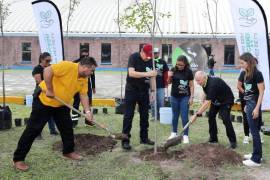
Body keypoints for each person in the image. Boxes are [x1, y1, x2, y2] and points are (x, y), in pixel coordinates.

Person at [13, 57, 97, 171]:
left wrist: (87, 111)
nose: (92, 73)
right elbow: (47, 71)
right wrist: (50, 89)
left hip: (62, 105)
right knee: (33, 129)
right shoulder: (67, 66)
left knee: (67, 129)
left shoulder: (84, 78)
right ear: (85, 67)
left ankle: (68, 151)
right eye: (91, 70)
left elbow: (83, 95)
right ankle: (18, 159)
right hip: (44, 102)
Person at [121, 43, 157, 150]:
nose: (148, 58)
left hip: (144, 91)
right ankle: (125, 140)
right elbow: (131, 73)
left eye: (150, 56)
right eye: (146, 55)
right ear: (141, 51)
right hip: (131, 90)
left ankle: (144, 138)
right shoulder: (134, 57)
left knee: (145, 115)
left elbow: (153, 77)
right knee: (128, 115)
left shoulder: (151, 61)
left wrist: (153, 91)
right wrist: (147, 74)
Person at [190, 71, 237, 149]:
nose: (197, 83)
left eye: (199, 80)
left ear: (204, 78)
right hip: (216, 99)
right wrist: (202, 99)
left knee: (225, 118)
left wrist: (196, 115)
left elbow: (207, 103)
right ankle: (213, 139)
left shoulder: (212, 84)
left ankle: (233, 142)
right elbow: (206, 90)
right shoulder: (205, 80)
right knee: (211, 116)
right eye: (196, 80)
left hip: (226, 100)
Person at [238, 52, 264, 167]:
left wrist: (256, 108)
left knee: (254, 131)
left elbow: (262, 91)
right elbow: (248, 91)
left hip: (254, 104)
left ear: (248, 62)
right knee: (253, 132)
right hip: (249, 103)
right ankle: (256, 154)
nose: (241, 65)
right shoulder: (246, 74)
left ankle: (256, 159)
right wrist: (246, 104)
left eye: (242, 63)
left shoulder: (257, 74)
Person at [167, 55, 194, 144]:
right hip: (174, 96)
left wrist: (191, 97)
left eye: (181, 65)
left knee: (184, 116)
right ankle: (173, 133)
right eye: (178, 64)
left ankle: (185, 135)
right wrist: (169, 76)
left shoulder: (189, 72)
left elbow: (191, 85)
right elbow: (168, 82)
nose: (179, 66)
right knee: (175, 115)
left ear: (185, 64)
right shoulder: (173, 70)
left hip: (185, 97)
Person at [32, 52, 58, 136]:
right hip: (40, 93)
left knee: (50, 112)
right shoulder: (37, 69)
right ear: (42, 60)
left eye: (50, 60)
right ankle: (37, 133)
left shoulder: (50, 67)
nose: (49, 62)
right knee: (39, 114)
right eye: (47, 60)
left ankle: (53, 130)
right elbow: (39, 82)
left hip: (49, 93)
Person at [72, 49, 96, 127]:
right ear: (80, 54)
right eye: (83, 55)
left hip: (86, 85)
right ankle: (74, 122)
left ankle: (88, 121)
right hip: (76, 85)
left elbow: (92, 76)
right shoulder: (75, 62)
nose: (85, 57)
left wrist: (93, 87)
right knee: (76, 103)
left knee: (88, 102)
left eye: (87, 55)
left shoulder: (90, 65)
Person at [151, 47, 169, 120]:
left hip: (161, 85)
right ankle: (153, 116)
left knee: (161, 102)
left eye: (156, 53)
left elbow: (166, 73)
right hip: (152, 86)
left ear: (159, 53)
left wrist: (166, 82)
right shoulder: (150, 61)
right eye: (154, 53)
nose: (155, 54)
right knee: (153, 102)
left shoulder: (163, 62)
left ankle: (161, 116)